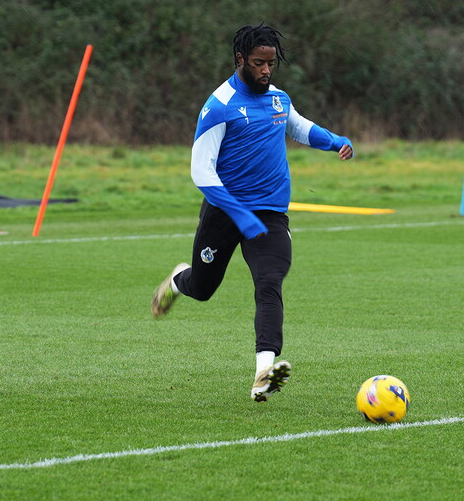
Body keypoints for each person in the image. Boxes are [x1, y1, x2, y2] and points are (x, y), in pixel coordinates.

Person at [151, 23, 354, 402]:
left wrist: (334, 141)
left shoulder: (278, 99)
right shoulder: (219, 107)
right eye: (259, 63)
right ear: (240, 60)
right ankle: (180, 281)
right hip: (224, 213)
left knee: (269, 283)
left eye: (271, 64)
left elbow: (299, 128)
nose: (266, 71)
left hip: (271, 213)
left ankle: (264, 369)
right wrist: (238, 214)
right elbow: (202, 172)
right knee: (204, 288)